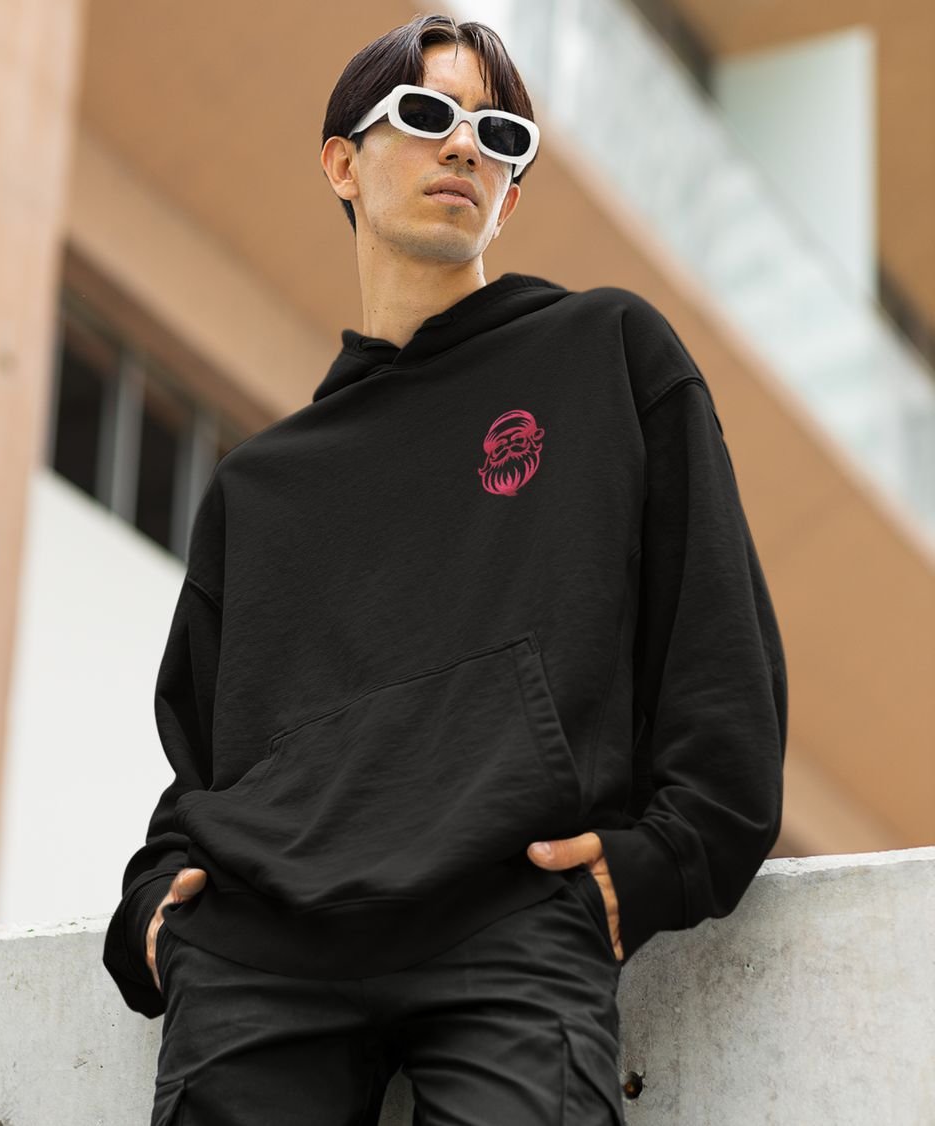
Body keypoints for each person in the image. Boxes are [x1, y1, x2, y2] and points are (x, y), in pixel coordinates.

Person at [102, 13, 787, 1126]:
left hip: (513, 914)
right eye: (427, 115)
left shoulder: (606, 354)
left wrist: (662, 861)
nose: (465, 145)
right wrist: (152, 914)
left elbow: (715, 644)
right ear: (343, 164)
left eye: (498, 134)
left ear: (508, 196)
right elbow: (207, 758)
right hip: (263, 952)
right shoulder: (262, 487)